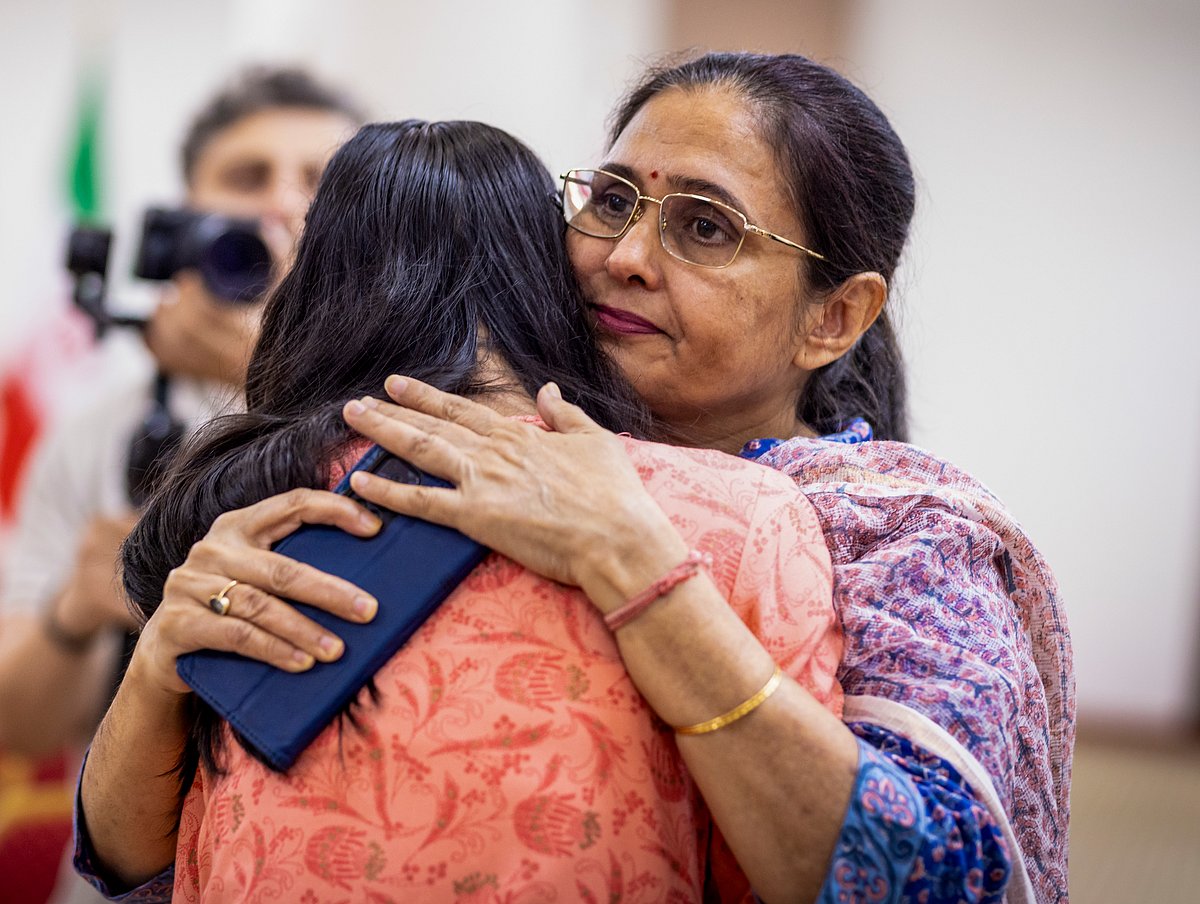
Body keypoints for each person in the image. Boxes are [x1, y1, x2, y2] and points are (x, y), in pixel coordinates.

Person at [80, 52, 1072, 903]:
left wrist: (632, 558)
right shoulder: (452, 460)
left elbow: (942, 878)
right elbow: (158, 863)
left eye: (706, 228)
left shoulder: (899, 530)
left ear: (835, 317)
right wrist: (160, 669)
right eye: (611, 201)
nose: (627, 255)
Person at [0, 65, 361, 903]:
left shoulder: (437, 403)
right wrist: (75, 612)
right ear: (183, 219)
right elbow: (20, 727)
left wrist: (252, 370)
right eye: (246, 177)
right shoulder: (95, 435)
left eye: (321, 178)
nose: (282, 204)